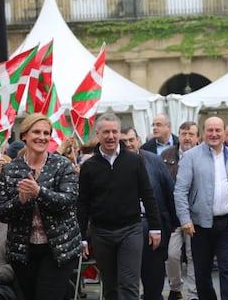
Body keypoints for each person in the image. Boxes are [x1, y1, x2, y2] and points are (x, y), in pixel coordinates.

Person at [0, 113, 82, 300]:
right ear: (24, 135)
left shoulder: (62, 165)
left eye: (46, 133)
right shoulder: (11, 169)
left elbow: (69, 202)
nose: (42, 137)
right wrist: (21, 200)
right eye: (36, 132)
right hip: (23, 250)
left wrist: (39, 192)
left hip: (59, 248)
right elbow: (0, 211)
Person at [78, 113, 162, 300]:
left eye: (114, 131)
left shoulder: (134, 160)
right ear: (98, 134)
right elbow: (83, 203)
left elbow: (148, 194)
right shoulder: (89, 166)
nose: (110, 136)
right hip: (101, 233)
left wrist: (155, 227)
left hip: (130, 230)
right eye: (106, 132)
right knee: (110, 287)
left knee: (129, 285)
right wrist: (82, 237)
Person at [174, 116, 228, 300]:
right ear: (203, 132)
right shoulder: (191, 156)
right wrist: (185, 219)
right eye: (210, 130)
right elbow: (180, 190)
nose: (214, 134)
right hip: (199, 225)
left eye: (218, 130)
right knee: (202, 273)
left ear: (224, 132)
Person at [120, 126, 176, 300]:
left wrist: (170, 225)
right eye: (124, 141)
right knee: (126, 283)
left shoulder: (154, 161)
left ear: (138, 140)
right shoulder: (113, 164)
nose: (129, 144)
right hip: (124, 229)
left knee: (153, 279)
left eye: (131, 140)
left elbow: (168, 192)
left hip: (152, 227)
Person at [161, 121, 200, 300]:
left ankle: (193, 293)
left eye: (191, 134)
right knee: (171, 255)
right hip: (172, 214)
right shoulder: (166, 155)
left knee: (194, 256)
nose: (187, 137)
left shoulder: (203, 155)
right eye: (184, 133)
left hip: (196, 214)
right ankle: (175, 287)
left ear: (197, 137)